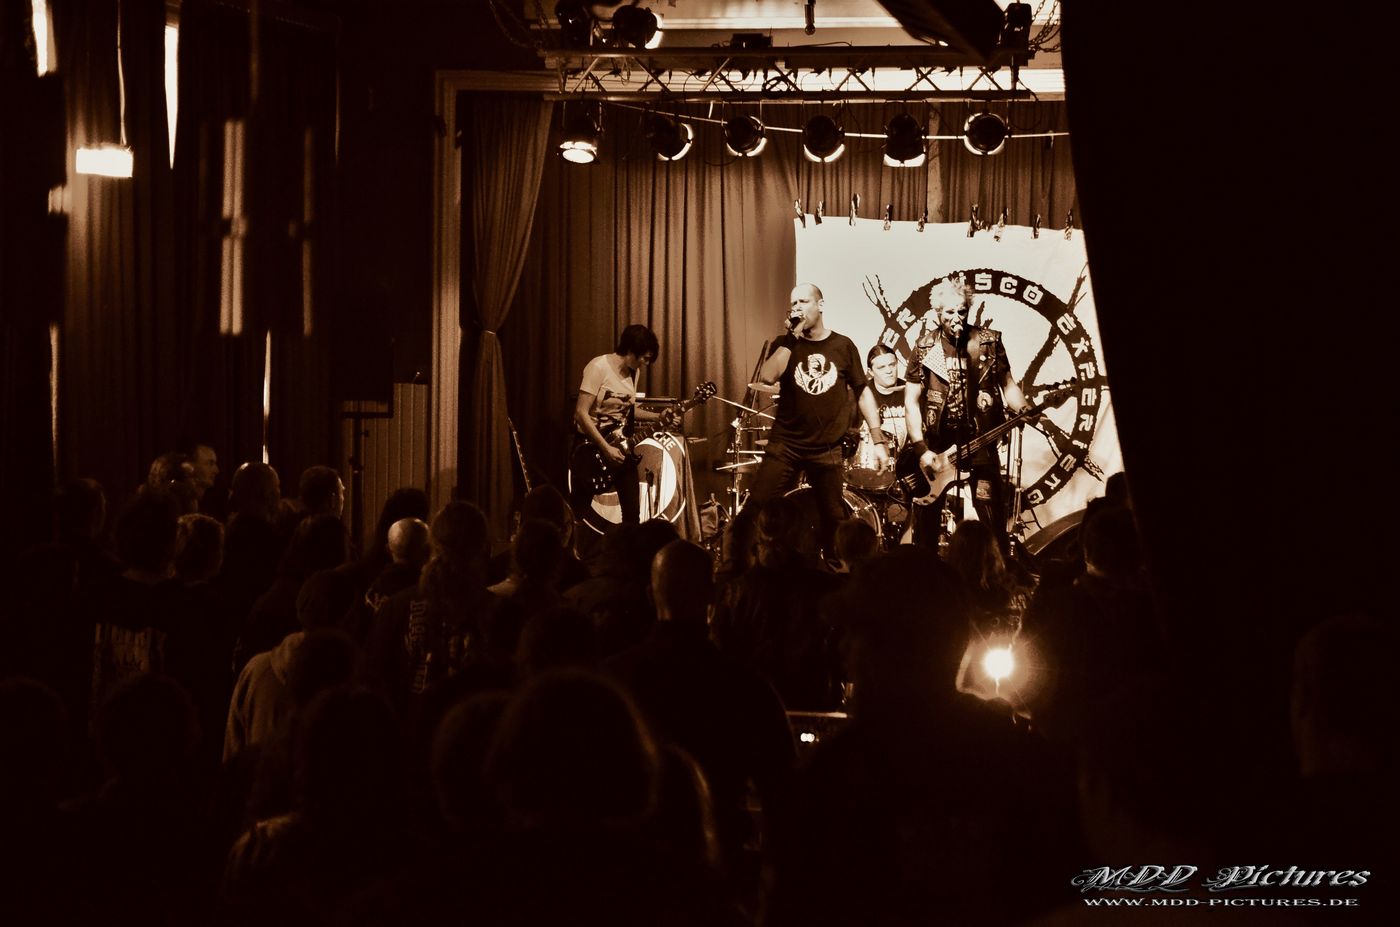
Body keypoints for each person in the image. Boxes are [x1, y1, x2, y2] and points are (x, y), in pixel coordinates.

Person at [728, 283, 889, 564]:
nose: (797, 308)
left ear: (820, 305)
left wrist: (878, 440)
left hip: (826, 450)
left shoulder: (843, 346)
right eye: (793, 303)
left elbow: (863, 392)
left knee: (835, 520)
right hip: (786, 446)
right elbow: (767, 376)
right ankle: (735, 572)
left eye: (803, 301)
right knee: (755, 509)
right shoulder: (785, 344)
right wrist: (791, 338)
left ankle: (838, 576)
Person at [904, 274, 1029, 553]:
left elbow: (1008, 385)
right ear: (938, 313)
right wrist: (920, 448)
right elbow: (911, 401)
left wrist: (1023, 408)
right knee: (926, 530)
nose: (956, 318)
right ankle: (928, 572)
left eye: (961, 311)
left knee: (992, 524)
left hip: (980, 443)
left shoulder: (987, 343)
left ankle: (995, 571)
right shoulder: (924, 347)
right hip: (938, 447)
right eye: (949, 312)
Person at [570, 324, 674, 533]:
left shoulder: (634, 373)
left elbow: (629, 409)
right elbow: (580, 413)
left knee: (632, 514)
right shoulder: (598, 367)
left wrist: (658, 416)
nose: (645, 363)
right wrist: (605, 448)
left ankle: (629, 551)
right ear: (630, 350)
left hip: (620, 447)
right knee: (577, 512)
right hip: (591, 448)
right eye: (644, 358)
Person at [845, 343, 907, 491]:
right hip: (870, 467)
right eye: (881, 367)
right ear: (871, 372)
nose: (889, 371)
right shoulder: (861, 396)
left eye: (892, 365)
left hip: (904, 468)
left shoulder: (911, 391)